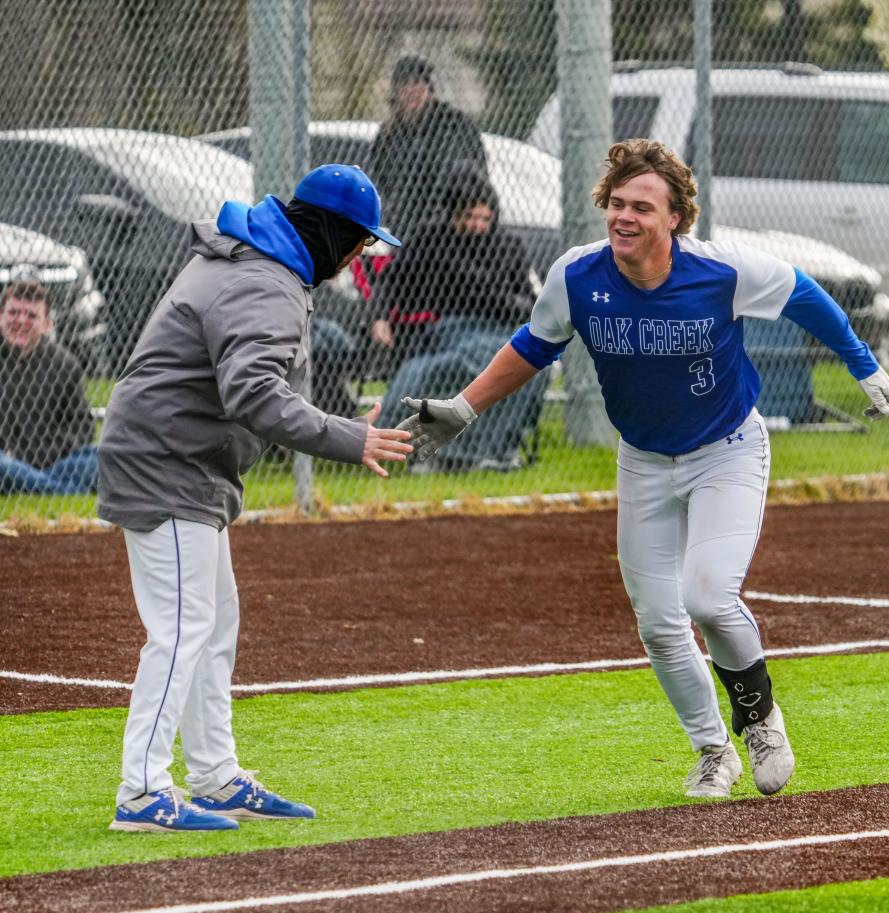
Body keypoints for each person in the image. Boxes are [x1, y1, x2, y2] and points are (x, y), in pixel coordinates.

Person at [397, 139, 889, 798]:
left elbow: (803, 294)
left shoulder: (720, 270)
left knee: (709, 596)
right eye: (617, 204)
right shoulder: (578, 277)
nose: (623, 217)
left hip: (727, 450)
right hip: (643, 461)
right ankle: (713, 749)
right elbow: (532, 347)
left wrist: (861, 362)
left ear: (676, 220)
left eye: (641, 207)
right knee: (660, 623)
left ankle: (760, 718)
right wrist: (462, 409)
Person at [98, 164, 412, 832]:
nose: (359, 253)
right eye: (358, 240)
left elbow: (248, 382)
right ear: (329, 230)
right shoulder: (264, 278)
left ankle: (213, 776)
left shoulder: (253, 257)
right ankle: (141, 793)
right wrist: (348, 437)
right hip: (167, 460)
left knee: (213, 623)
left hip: (180, 455)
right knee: (182, 629)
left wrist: (340, 423)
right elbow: (254, 394)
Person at [373, 174, 547, 469]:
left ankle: (494, 450)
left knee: (532, 366)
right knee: (471, 362)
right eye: (468, 217)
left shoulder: (507, 244)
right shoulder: (429, 238)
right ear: (452, 213)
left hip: (500, 329)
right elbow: (390, 280)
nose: (477, 225)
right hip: (446, 329)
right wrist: (378, 318)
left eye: (484, 218)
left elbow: (528, 301)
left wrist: (502, 301)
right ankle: (463, 454)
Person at [368, 55, 488, 236]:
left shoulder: (452, 125)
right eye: (405, 84)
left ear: (429, 88)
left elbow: (470, 175)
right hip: (404, 229)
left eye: (419, 82)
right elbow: (380, 183)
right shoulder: (388, 136)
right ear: (396, 91)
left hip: (448, 229)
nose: (413, 90)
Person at [0, 278, 99, 494]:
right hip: (5, 459)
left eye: (31, 315)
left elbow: (82, 426)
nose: (20, 321)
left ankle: (35, 484)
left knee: (102, 458)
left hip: (54, 461)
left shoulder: (65, 364)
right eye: (13, 312)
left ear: (47, 324)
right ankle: (61, 489)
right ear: (1, 316)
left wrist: (45, 455)